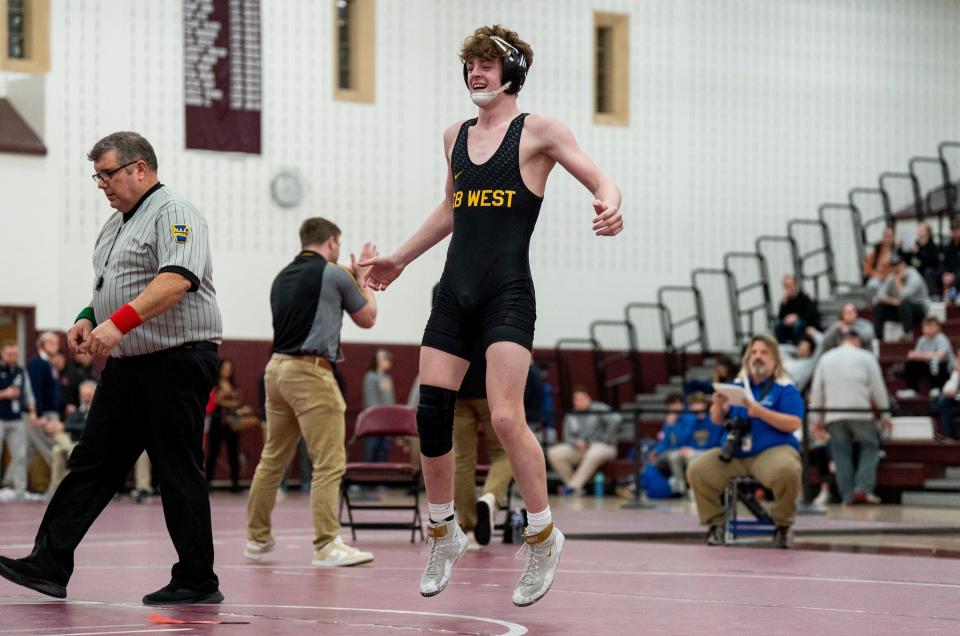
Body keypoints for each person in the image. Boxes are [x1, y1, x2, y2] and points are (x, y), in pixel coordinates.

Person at [358, 24, 622, 606]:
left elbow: (596, 173)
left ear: (513, 73)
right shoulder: (454, 135)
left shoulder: (540, 131)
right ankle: (444, 530)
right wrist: (400, 257)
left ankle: (543, 535)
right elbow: (452, 205)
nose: (475, 74)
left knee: (506, 418)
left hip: (507, 289)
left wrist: (609, 200)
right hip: (454, 289)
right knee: (431, 412)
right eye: (469, 66)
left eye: (485, 65)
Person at [0, 131, 224, 605]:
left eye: (107, 173)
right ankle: (49, 560)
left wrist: (117, 323)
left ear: (139, 168)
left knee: (176, 467)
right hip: (130, 363)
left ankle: (197, 579)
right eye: (96, 175)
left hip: (177, 358)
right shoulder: (116, 224)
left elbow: (175, 281)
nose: (100, 183)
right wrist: (88, 317)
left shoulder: (176, 212)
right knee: (91, 463)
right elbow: (112, 289)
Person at [244, 217, 378, 568]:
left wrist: (349, 276)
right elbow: (367, 318)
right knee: (329, 463)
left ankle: (256, 539)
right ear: (332, 242)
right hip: (311, 373)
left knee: (273, 458)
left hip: (276, 371)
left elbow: (324, 295)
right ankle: (327, 544)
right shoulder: (334, 274)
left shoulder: (282, 277)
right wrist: (365, 280)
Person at [686, 334, 804, 549]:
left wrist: (761, 412)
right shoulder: (737, 385)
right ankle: (716, 524)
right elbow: (717, 420)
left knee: (787, 470)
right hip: (736, 452)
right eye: (754, 353)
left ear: (775, 359)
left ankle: (783, 525)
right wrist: (717, 406)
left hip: (771, 450)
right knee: (698, 469)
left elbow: (793, 423)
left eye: (764, 353)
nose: (758, 357)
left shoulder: (785, 387)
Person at [809, 329, 891, 505]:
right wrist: (885, 414)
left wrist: (817, 418)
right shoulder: (865, 357)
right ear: (856, 341)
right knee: (870, 446)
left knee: (840, 453)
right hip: (859, 411)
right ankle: (863, 488)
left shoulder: (826, 358)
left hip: (833, 414)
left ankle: (847, 496)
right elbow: (878, 387)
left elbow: (817, 390)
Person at [453, 347, 512, 547]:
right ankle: (490, 496)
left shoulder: (456, 315)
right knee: (505, 452)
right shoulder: (497, 316)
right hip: (491, 390)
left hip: (460, 390)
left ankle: (469, 526)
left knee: (462, 459)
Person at [547, 386, 621, 496]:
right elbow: (567, 437)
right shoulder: (571, 415)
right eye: (577, 399)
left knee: (594, 452)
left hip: (603, 446)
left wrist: (607, 439)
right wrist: (576, 442)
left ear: (589, 398)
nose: (580, 401)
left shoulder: (599, 408)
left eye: (583, 398)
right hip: (580, 448)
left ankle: (571, 487)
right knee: (554, 453)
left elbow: (616, 420)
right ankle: (575, 488)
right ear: (573, 401)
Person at [0, 340, 34, 502]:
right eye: (9, 354)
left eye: (15, 354)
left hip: (16, 418)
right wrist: (5, 394)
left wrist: (33, 412)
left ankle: (20, 490)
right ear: (2, 353)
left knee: (20, 455)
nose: (12, 357)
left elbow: (28, 394)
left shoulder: (21, 371)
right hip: (1, 417)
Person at [50, 380, 97, 491]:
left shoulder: (97, 412)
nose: (86, 398)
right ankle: (55, 488)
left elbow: (87, 428)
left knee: (60, 436)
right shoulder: (76, 411)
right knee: (57, 447)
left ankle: (71, 451)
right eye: (83, 395)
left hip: (90, 443)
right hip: (73, 442)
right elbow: (68, 424)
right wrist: (67, 427)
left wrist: (67, 427)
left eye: (88, 395)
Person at [205, 359, 242, 492]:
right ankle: (207, 482)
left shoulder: (233, 384)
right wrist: (228, 399)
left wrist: (226, 400)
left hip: (231, 422)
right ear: (220, 369)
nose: (228, 370)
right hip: (217, 421)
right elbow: (215, 401)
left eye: (229, 368)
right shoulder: (215, 384)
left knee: (233, 453)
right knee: (213, 452)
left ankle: (235, 484)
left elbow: (238, 402)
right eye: (225, 368)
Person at [873, 254, 929, 340]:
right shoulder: (891, 276)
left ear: (904, 265)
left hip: (918, 309)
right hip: (900, 309)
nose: (896, 268)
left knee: (905, 303)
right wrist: (894, 301)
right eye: (894, 266)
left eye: (898, 265)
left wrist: (898, 281)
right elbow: (880, 295)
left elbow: (903, 296)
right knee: (879, 307)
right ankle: (878, 338)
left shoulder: (914, 276)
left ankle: (908, 333)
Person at [902, 316, 954, 396]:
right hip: (927, 366)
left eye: (931, 325)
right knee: (911, 364)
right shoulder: (922, 339)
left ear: (938, 327)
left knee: (935, 362)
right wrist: (929, 355)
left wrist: (922, 355)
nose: (928, 328)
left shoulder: (942, 339)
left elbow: (941, 356)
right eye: (926, 325)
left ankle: (937, 388)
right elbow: (913, 356)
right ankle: (912, 389)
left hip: (944, 369)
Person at [361, 348, 395, 463]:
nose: (388, 361)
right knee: (371, 453)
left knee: (383, 454)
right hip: (374, 423)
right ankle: (368, 480)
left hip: (387, 423)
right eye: (384, 358)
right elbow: (371, 402)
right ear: (377, 361)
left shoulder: (387, 378)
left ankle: (381, 480)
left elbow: (390, 401)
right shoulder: (370, 377)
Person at [773, 275, 819, 345]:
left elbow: (810, 314)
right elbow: (780, 317)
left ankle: (797, 345)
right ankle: (783, 345)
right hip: (789, 326)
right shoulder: (786, 301)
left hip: (803, 324)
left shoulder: (804, 298)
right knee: (777, 325)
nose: (789, 288)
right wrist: (784, 303)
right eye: (786, 286)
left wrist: (796, 317)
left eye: (790, 285)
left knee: (798, 325)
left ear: (795, 285)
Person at [863, 225, 899, 300]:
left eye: (890, 236)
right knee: (873, 285)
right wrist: (874, 274)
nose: (887, 239)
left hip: (890, 278)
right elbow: (867, 267)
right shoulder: (877, 250)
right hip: (877, 277)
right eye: (886, 236)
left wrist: (885, 274)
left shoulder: (897, 251)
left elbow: (899, 268)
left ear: (893, 237)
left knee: (892, 279)